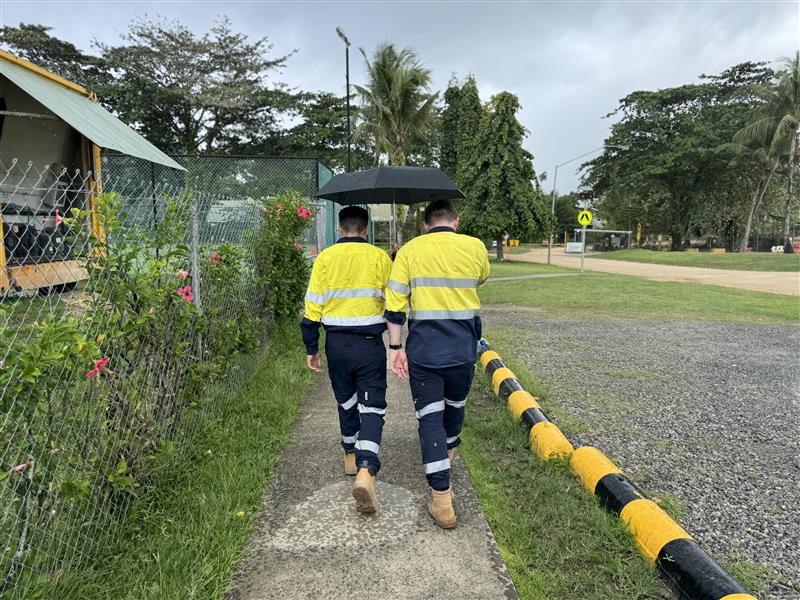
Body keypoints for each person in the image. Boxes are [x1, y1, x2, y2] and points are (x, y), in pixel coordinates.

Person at [384, 199, 490, 529]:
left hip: (425, 351)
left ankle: (442, 501)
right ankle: (449, 452)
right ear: (455, 220)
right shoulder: (475, 247)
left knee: (430, 417)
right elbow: (480, 278)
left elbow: (394, 304)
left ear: (425, 224)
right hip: (463, 349)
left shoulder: (410, 251)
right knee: (455, 406)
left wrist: (395, 347)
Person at [301, 205, 393, 514]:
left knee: (346, 401)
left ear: (340, 230)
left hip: (336, 345)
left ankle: (350, 456)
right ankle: (367, 468)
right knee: (373, 406)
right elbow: (392, 302)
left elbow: (312, 307)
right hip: (369, 345)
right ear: (365, 230)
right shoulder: (380, 258)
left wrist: (311, 348)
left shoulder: (324, 259)